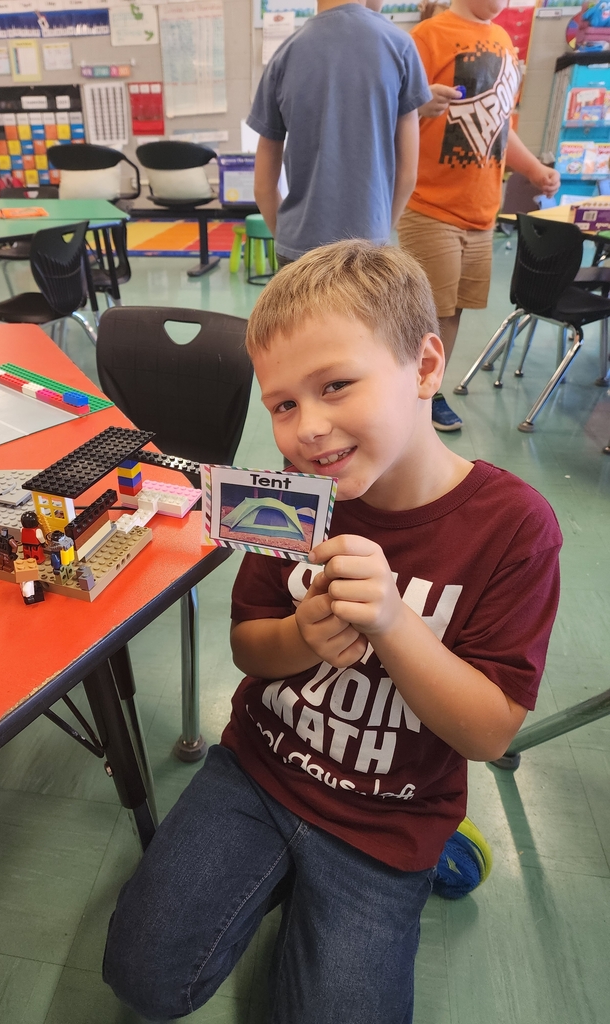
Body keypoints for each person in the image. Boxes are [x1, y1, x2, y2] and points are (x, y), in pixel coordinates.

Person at [102, 241, 562, 1024]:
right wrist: (301, 639)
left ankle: (412, 861)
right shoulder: (292, 499)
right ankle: (284, 879)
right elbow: (248, 644)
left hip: (393, 814)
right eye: (282, 405)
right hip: (261, 771)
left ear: (424, 367)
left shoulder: (514, 528)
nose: (307, 429)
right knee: (142, 978)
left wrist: (392, 621)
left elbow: (489, 733)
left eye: (336, 386)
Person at [397, 0, 560, 431]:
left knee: (453, 312)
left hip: (482, 213)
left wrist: (535, 170)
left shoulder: (503, 40)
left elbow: (500, 125)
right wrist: (416, 103)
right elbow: (387, 113)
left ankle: (428, 391)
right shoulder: (426, 37)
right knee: (427, 314)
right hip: (430, 205)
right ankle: (405, 400)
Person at [249, 0, 431, 263]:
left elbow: (263, 186)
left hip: (299, 249)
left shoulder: (284, 55)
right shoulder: (399, 45)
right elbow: (407, 175)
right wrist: (380, 232)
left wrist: (287, 238)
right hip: (369, 247)